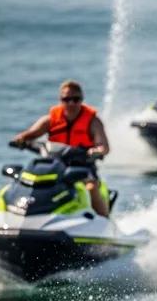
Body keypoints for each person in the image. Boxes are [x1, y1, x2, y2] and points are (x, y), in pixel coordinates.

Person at [13, 80, 111, 217]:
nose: (71, 103)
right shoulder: (50, 119)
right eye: (66, 99)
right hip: (53, 166)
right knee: (25, 183)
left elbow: (103, 145)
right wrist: (20, 140)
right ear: (61, 100)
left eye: (75, 99)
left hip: (82, 168)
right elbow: (30, 134)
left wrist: (97, 151)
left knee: (91, 188)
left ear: (81, 100)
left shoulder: (93, 121)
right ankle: (17, 215)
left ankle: (104, 222)